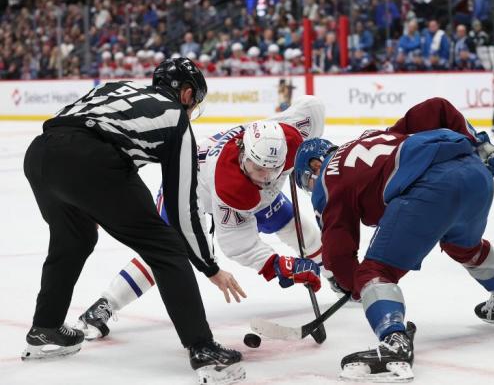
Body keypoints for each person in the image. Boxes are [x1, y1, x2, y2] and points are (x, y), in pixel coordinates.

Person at [22, 58, 246, 384]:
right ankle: (203, 349)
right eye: (194, 101)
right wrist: (209, 266)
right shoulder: (176, 121)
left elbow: (70, 122)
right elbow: (182, 208)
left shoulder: (117, 88)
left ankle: (45, 329)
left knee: (74, 239)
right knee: (166, 246)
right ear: (185, 94)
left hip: (39, 154)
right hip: (89, 159)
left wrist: (86, 193)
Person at [293, 98, 494, 382]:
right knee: (463, 246)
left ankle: (394, 343)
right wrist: (479, 143)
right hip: (474, 171)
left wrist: (354, 285)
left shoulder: (326, 179)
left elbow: (338, 251)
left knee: (374, 273)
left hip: (431, 186)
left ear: (315, 163)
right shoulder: (373, 136)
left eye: (306, 181)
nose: (312, 189)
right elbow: (437, 107)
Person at [75, 97, 331, 340]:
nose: (266, 177)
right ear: (244, 154)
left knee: (296, 227)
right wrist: (275, 264)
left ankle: (337, 275)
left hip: (246, 188)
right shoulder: (231, 185)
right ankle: (104, 305)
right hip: (187, 191)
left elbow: (313, 107)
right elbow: (237, 244)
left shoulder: (287, 139)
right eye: (259, 168)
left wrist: (308, 150)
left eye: (273, 169)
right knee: (165, 253)